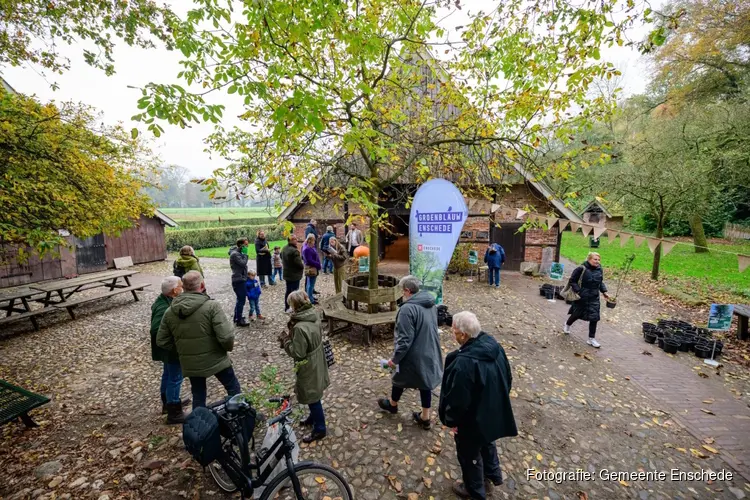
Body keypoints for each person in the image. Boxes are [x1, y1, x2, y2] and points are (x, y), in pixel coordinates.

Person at [439, 311, 517, 499]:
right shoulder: (494, 346)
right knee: (486, 441)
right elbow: (507, 376)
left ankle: (474, 490)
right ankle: (490, 477)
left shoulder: (464, 363)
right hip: (491, 410)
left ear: (464, 335)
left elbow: (458, 400)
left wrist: (451, 420)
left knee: (469, 454)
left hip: (472, 419)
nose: (452, 333)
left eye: (454, 331)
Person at [157, 271, 241, 409]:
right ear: (202, 285)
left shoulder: (170, 311)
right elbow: (226, 336)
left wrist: (182, 349)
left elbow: (162, 340)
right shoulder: (212, 306)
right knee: (233, 388)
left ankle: (199, 425)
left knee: (198, 395)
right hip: (216, 358)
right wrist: (225, 348)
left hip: (191, 363)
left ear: (183, 287)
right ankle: (242, 417)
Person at [377, 276, 442, 430]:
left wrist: (395, 359)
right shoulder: (431, 304)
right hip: (430, 348)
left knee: (398, 376)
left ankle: (393, 405)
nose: (401, 293)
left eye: (402, 290)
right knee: (424, 382)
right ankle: (425, 417)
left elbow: (404, 339)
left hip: (414, 352)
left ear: (407, 290)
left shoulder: (407, 309)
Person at [279, 290, 330, 443]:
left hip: (309, 364)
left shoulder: (300, 327)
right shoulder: (313, 314)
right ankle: (313, 417)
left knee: (312, 394)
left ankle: (320, 428)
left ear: (295, 306)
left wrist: (286, 340)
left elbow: (298, 353)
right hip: (317, 357)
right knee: (313, 391)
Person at [150, 276, 190, 424]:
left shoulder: (166, 301)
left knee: (168, 374)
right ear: (175, 290)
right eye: (180, 285)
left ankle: (168, 402)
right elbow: (155, 330)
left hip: (167, 349)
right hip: (171, 350)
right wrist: (173, 342)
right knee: (175, 378)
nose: (182, 287)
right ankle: (174, 411)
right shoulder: (163, 307)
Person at [563, 251, 610, 348]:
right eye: (595, 259)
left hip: (594, 297)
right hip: (582, 297)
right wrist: (578, 291)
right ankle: (567, 324)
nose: (597, 261)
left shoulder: (599, 269)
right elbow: (572, 280)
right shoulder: (581, 268)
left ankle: (591, 339)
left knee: (594, 318)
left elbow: (600, 282)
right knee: (576, 314)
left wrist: (604, 292)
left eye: (598, 259)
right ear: (589, 259)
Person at [229, 237, 250, 327]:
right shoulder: (235, 254)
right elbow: (243, 263)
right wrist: (245, 254)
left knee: (240, 299)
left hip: (241, 278)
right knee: (241, 300)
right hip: (239, 280)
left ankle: (237, 317)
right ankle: (239, 320)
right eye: (246, 244)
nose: (247, 246)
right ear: (241, 245)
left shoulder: (238, 253)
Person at [281, 235, 305, 313]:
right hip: (294, 274)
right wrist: (302, 266)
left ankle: (287, 307)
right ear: (290, 240)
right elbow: (299, 264)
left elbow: (281, 257)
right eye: (294, 239)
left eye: (296, 239)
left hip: (287, 273)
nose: (296, 241)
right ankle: (295, 308)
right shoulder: (294, 251)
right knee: (295, 292)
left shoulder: (284, 248)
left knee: (288, 291)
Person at [302, 233, 322, 305]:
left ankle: (310, 297)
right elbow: (309, 260)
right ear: (310, 240)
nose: (315, 241)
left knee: (310, 284)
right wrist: (318, 264)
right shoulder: (307, 249)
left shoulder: (311, 246)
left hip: (314, 267)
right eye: (314, 240)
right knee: (310, 285)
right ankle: (310, 299)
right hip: (311, 268)